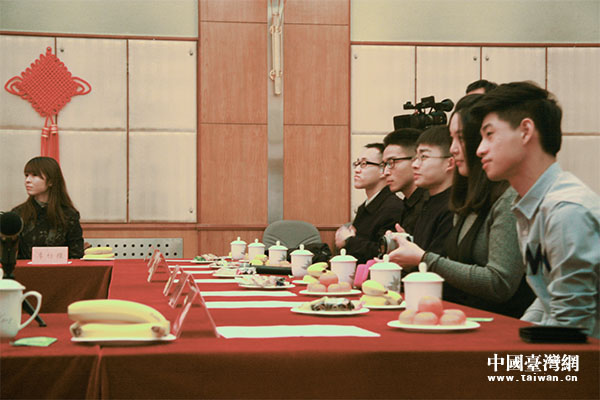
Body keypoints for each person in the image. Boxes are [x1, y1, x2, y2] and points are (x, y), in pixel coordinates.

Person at [386, 94, 534, 317]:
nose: (453, 149)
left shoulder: (509, 198)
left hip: (500, 322)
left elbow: (499, 283)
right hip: (463, 316)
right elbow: (456, 267)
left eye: (461, 139)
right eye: (452, 139)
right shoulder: (466, 197)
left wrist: (424, 258)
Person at [473, 81, 599, 338]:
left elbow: (571, 328)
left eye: (490, 134)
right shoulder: (531, 204)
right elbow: (547, 298)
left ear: (525, 131)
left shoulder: (566, 210)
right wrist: (514, 335)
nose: (480, 150)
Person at [335, 143, 404, 264]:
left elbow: (383, 252)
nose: (357, 170)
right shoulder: (366, 206)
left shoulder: (393, 207)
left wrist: (349, 240)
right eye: (357, 164)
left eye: (364, 164)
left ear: (383, 170)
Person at [11, 156, 84, 260]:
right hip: (25, 269)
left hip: (61, 269)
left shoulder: (69, 215)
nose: (27, 180)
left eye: (35, 175)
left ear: (51, 181)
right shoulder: (18, 214)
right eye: (26, 175)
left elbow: (76, 255)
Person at [406, 125, 455, 255]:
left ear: (450, 163)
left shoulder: (453, 208)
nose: (414, 165)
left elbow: (435, 262)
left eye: (424, 157)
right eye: (415, 158)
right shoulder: (428, 202)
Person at [381, 128, 425, 235]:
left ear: (416, 160)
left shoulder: (428, 207)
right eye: (385, 164)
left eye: (391, 162)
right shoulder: (406, 205)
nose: (385, 172)